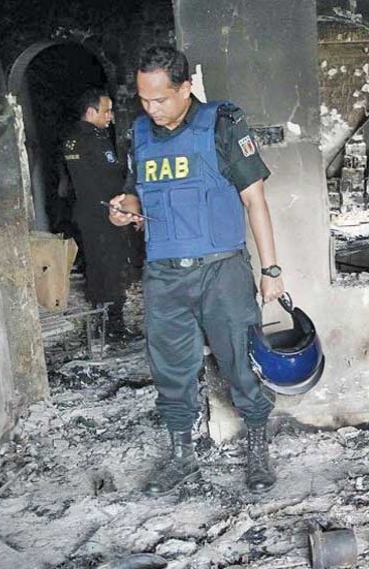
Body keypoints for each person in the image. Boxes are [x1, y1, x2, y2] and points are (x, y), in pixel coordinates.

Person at [107, 46, 285, 496]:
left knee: (240, 362)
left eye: (161, 99)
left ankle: (258, 449)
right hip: (164, 274)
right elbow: (133, 194)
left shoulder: (223, 125)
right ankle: (182, 456)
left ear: (186, 88)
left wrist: (271, 269)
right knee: (170, 368)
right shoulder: (140, 135)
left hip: (221, 270)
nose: (152, 109)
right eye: (144, 100)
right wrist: (122, 210)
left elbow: (254, 200)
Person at [62, 88, 135, 339]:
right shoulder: (95, 139)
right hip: (106, 213)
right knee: (112, 267)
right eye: (106, 111)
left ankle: (101, 321)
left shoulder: (71, 139)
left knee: (96, 266)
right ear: (91, 112)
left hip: (85, 212)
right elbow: (111, 178)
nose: (111, 116)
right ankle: (114, 325)